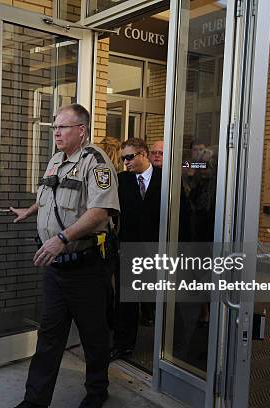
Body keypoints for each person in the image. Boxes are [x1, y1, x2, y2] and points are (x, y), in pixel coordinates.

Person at [10, 104, 119, 408]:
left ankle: (97, 393)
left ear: (81, 130)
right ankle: (34, 401)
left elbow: (101, 211)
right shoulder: (56, 160)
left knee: (93, 337)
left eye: (63, 127)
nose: (56, 132)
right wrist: (30, 210)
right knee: (49, 338)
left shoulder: (95, 162)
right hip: (56, 270)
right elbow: (51, 195)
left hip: (86, 267)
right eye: (54, 127)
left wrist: (62, 238)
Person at [110, 138, 162, 361]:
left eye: (129, 157)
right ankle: (123, 345)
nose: (126, 163)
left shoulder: (166, 180)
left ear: (144, 154)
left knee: (160, 299)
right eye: (123, 159)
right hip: (129, 249)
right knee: (126, 302)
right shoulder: (121, 181)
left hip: (159, 250)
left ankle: (168, 347)